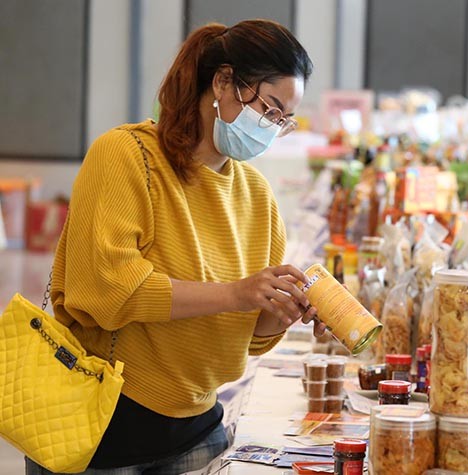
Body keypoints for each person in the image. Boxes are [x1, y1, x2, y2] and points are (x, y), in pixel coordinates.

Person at [26, 20, 322, 474]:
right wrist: (237, 292)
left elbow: (249, 336)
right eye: (269, 108)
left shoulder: (258, 197)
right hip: (101, 428)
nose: (270, 127)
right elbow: (110, 290)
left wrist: (280, 309)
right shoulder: (125, 156)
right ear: (223, 81)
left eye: (283, 121)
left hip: (199, 432)